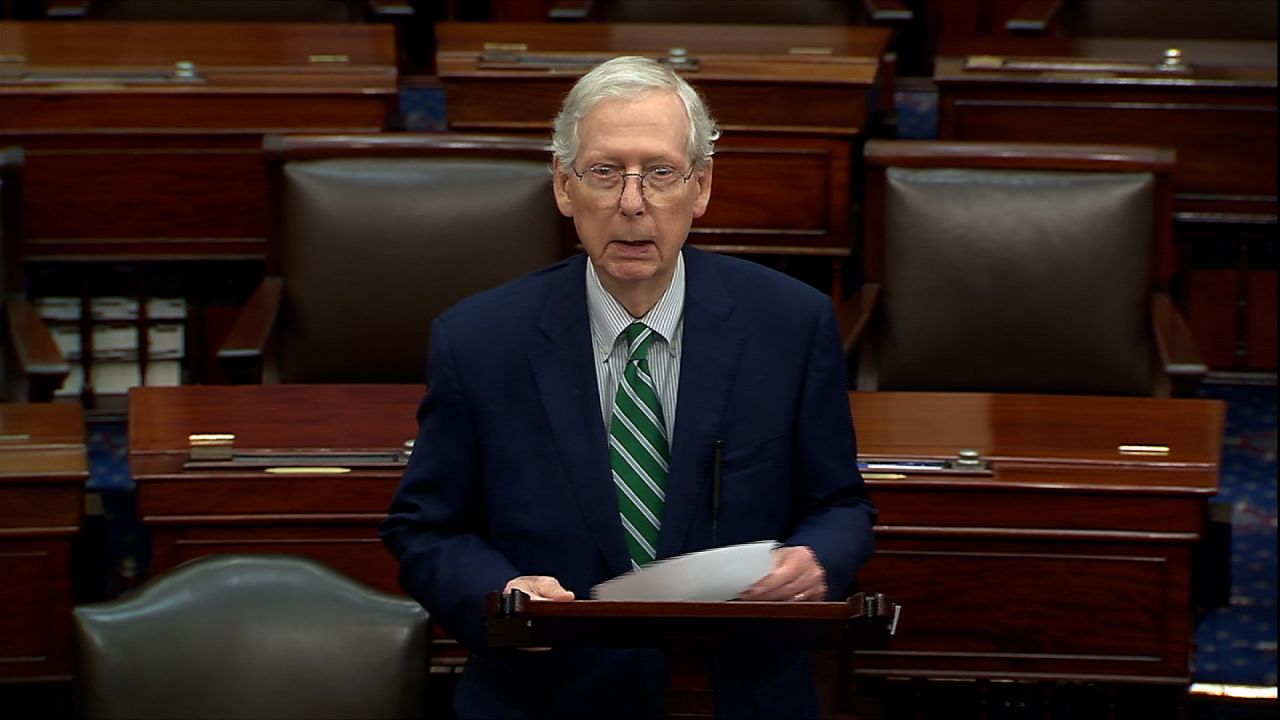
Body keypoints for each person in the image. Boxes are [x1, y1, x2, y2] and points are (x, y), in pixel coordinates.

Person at [380, 55, 876, 719]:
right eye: (605, 172)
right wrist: (501, 594)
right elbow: (426, 529)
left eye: (661, 173)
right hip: (544, 696)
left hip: (734, 694)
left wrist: (820, 560)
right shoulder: (478, 342)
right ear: (564, 186)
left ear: (700, 188)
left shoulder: (791, 325)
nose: (632, 203)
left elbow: (842, 505)